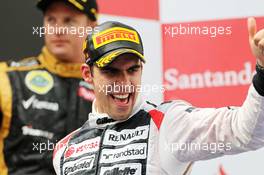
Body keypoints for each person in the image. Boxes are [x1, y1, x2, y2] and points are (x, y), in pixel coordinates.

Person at [53, 19, 264, 175]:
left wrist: (263, 71)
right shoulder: (64, 150)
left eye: (133, 70)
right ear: (88, 74)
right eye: (111, 72)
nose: (125, 83)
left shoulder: (168, 124)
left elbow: (246, 132)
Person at [0, 0, 98, 174]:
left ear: (91, 27)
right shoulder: (8, 78)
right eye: (51, 20)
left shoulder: (106, 89)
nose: (58, 29)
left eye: (69, 21)